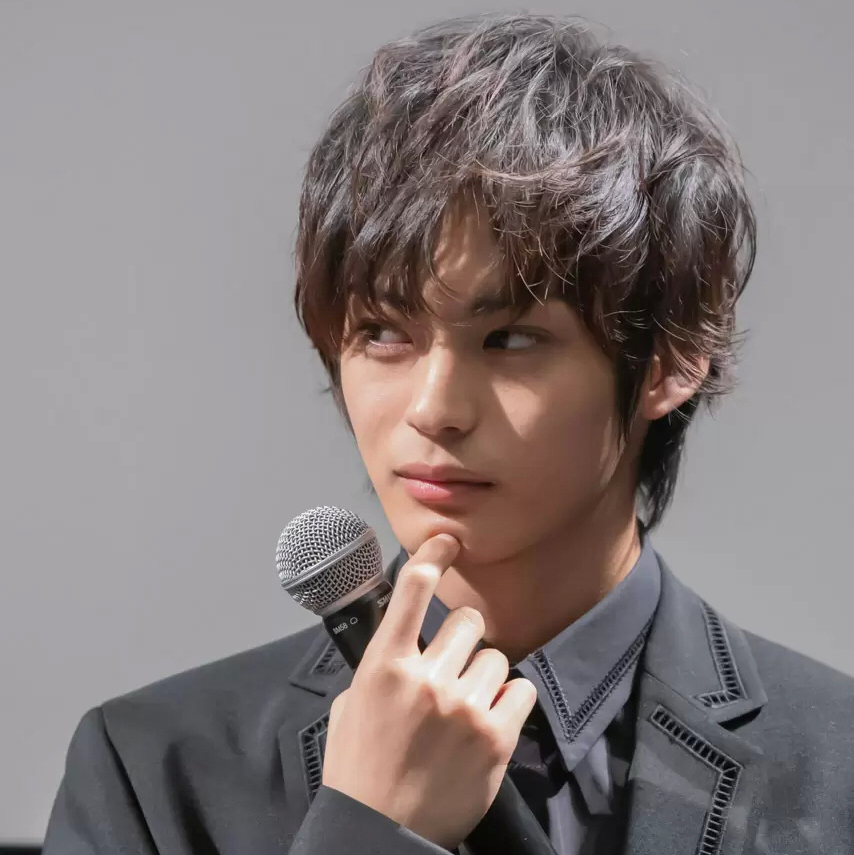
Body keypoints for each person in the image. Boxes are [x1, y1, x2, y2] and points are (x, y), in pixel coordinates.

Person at [43, 12, 854, 855]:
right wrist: (367, 825)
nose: (433, 408)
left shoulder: (838, 773)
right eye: (382, 333)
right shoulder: (155, 772)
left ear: (672, 359)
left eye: (510, 339)